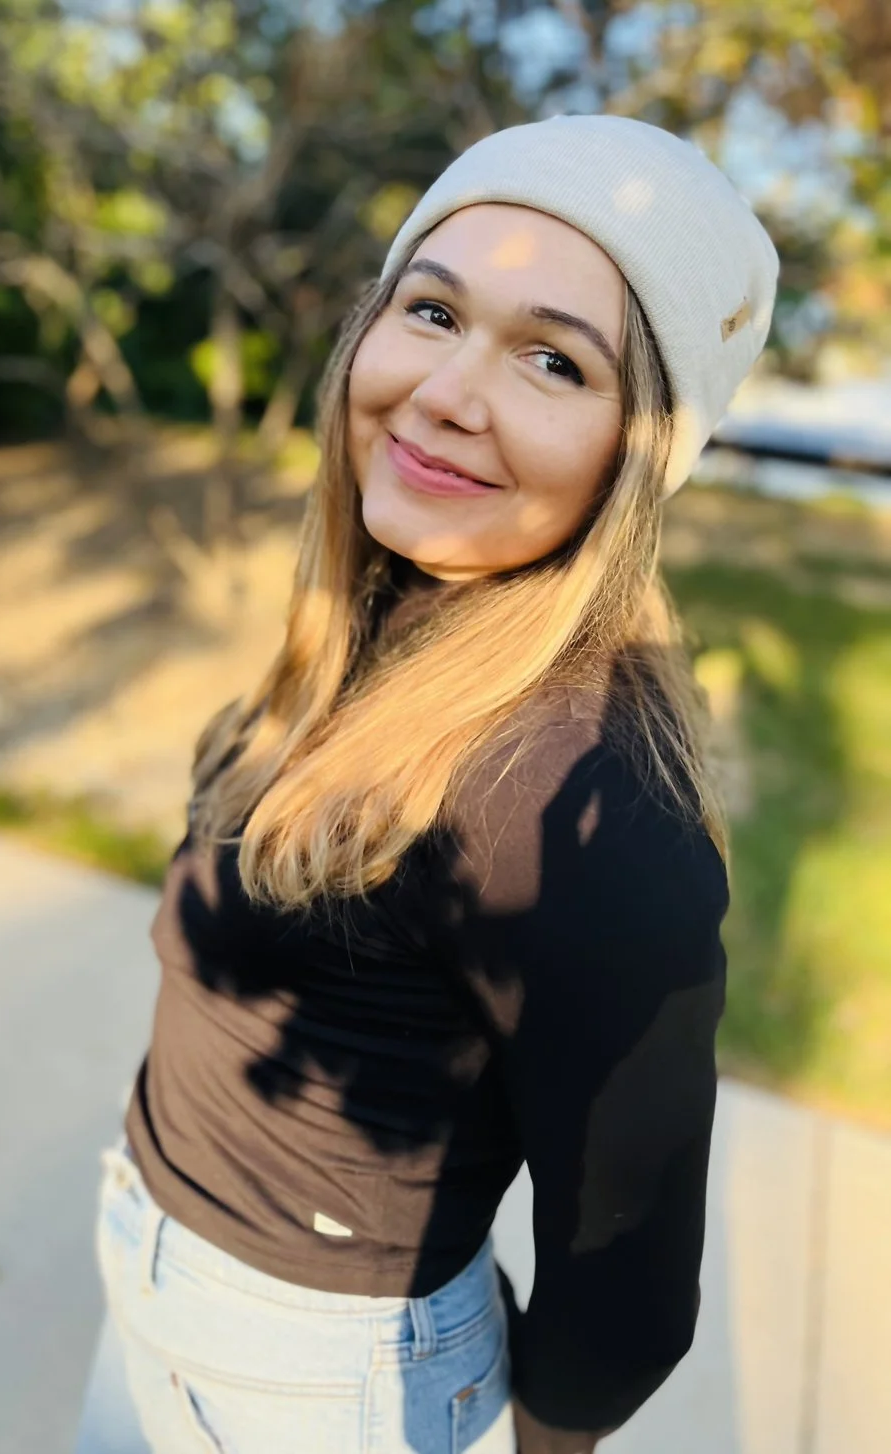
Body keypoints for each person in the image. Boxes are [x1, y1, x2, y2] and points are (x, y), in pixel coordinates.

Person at [73, 114, 779, 1454]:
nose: (450, 391)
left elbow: (624, 1293)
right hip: (154, 1269)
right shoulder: (380, 609)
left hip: (313, 1384)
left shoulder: (574, 791)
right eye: (433, 310)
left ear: (637, 456)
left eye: (555, 360)